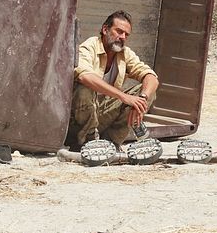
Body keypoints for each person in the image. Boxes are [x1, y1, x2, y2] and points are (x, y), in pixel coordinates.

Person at [67, 10, 159, 151]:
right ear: (105, 29)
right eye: (119, 31)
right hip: (77, 120)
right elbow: (84, 76)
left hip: (101, 115)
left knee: (147, 92)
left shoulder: (124, 53)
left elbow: (151, 77)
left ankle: (111, 143)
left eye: (126, 35)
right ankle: (87, 141)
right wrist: (123, 96)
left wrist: (142, 98)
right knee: (84, 89)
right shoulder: (89, 46)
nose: (122, 37)